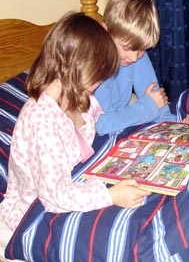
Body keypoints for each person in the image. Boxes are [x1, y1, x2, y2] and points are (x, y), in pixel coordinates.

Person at [0, 12, 150, 231]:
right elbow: (54, 196)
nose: (100, 82)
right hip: (37, 212)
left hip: (79, 182)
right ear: (76, 68)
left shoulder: (82, 98)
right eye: (98, 75)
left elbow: (94, 138)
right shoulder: (41, 120)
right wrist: (109, 195)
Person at [94, 0, 189, 136]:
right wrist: (148, 105)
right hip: (90, 133)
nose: (135, 58)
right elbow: (103, 125)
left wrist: (177, 127)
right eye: (127, 48)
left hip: (120, 120)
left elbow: (158, 104)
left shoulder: (135, 53)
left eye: (142, 49)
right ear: (105, 31)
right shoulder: (96, 66)